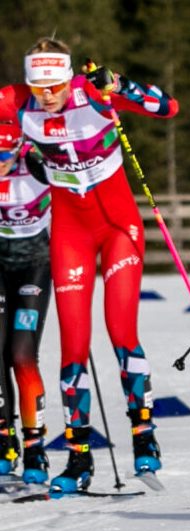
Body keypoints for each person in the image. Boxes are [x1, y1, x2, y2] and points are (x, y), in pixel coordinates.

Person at [0, 37, 179, 493]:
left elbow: (167, 108)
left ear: (68, 76)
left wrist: (121, 84)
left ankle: (145, 440)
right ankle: (79, 458)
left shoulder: (93, 92)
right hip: (70, 234)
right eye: (39, 87)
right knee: (72, 347)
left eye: (55, 85)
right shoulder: (18, 102)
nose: (48, 96)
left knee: (121, 332)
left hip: (118, 228)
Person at [0, 121, 52, 484]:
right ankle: (5, 441)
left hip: (35, 269)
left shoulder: (35, 166)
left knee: (21, 354)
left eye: (3, 156)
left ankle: (35, 445)